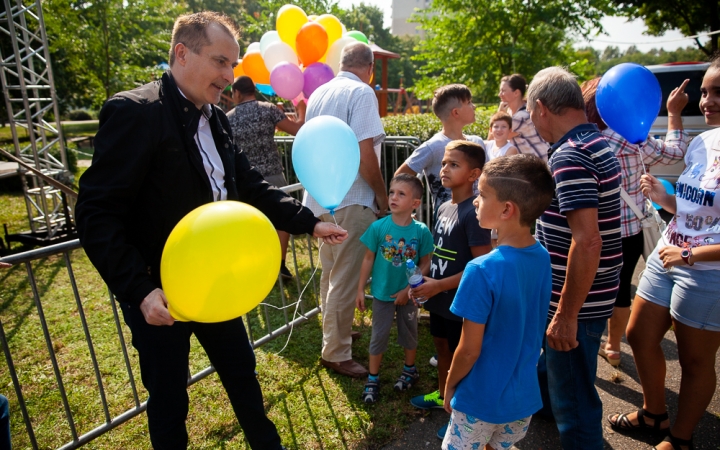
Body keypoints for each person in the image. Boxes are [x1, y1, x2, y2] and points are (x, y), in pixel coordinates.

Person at [75, 12, 347, 450]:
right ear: (182, 54)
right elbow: (95, 213)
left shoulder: (218, 118)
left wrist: (309, 223)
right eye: (221, 62)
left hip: (217, 284)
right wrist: (140, 290)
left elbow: (250, 186)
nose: (229, 75)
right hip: (160, 295)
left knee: (241, 372)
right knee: (168, 398)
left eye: (233, 65)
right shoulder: (135, 112)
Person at [608, 57, 720, 450]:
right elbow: (696, 208)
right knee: (638, 334)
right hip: (669, 251)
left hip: (707, 271)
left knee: (693, 362)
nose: (706, 101)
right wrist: (665, 199)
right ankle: (654, 414)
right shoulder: (704, 142)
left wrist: (692, 257)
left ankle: (682, 439)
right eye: (704, 92)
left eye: (717, 92)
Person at [530, 67, 622, 450]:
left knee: (576, 401)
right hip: (594, 292)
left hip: (577, 303)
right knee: (556, 373)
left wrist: (566, 316)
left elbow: (587, 242)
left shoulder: (571, 155)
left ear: (539, 108)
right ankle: (545, 408)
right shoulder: (596, 141)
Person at [441, 154, 554, 450]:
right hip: (522, 400)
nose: (476, 201)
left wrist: (450, 384)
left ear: (506, 209)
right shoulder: (542, 257)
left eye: (483, 194)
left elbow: (468, 350)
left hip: (479, 400)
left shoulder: (480, 270)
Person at [581, 77, 690, 367]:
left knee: (585, 285)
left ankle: (583, 346)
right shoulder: (631, 136)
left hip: (589, 228)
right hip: (627, 229)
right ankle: (614, 347)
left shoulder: (579, 139)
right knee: (620, 289)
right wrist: (675, 114)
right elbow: (675, 152)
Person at [302, 41, 387, 378]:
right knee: (343, 277)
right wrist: (381, 194)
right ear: (368, 68)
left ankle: (333, 333)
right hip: (352, 196)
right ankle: (336, 351)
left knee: (331, 272)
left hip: (322, 196)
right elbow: (365, 151)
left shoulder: (320, 93)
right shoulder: (362, 93)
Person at [408, 140, 492, 439]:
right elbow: (439, 252)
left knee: (462, 355)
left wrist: (438, 285)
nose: (444, 169)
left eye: (454, 164)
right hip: (439, 298)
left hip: (460, 300)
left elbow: (481, 264)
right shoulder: (444, 206)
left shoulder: (474, 212)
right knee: (441, 347)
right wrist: (421, 278)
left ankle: (462, 414)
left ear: (474, 175)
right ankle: (443, 394)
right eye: (444, 163)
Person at [355, 174, 434, 403]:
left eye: (401, 194)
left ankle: (410, 369)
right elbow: (368, 259)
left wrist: (410, 289)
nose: (393, 197)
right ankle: (373, 378)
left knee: (409, 332)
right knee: (378, 335)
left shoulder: (421, 231)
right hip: (381, 293)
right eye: (392, 192)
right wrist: (360, 289)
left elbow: (426, 262)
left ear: (415, 203)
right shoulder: (378, 227)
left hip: (409, 296)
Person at [227, 75, 306, 279]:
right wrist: (302, 111)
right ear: (253, 90)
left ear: (237, 93)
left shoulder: (229, 118)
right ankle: (279, 265)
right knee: (282, 218)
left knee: (250, 223)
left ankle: (256, 265)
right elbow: (297, 130)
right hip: (273, 173)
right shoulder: (269, 109)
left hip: (245, 178)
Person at [394, 84, 485, 216]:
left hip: (478, 219)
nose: (474, 106)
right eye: (469, 102)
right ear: (456, 112)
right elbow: (400, 176)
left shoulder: (477, 142)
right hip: (446, 223)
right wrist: (410, 205)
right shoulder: (433, 146)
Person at [494, 73, 550, 161]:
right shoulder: (511, 112)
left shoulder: (521, 117)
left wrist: (499, 113)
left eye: (503, 90)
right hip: (533, 164)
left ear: (516, 93)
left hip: (541, 163)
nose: (499, 94)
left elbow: (495, 137)